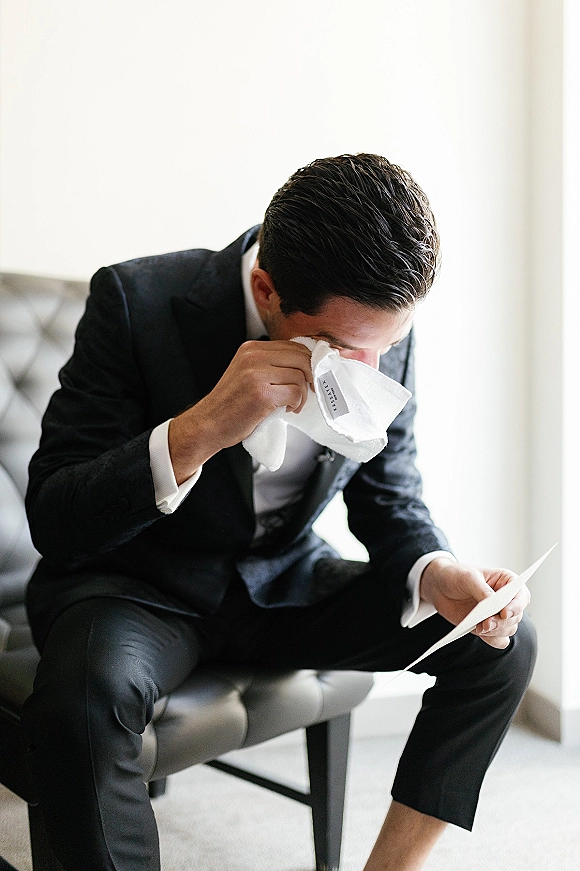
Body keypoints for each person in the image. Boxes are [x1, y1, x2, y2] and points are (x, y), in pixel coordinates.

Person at [22, 153, 536, 871]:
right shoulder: (136, 299)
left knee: (500, 641)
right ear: (266, 288)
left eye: (383, 348)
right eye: (345, 348)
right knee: (79, 705)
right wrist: (198, 427)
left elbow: (388, 493)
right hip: (139, 587)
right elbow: (55, 514)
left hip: (281, 584)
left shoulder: (380, 327)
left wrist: (434, 570)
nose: (369, 368)